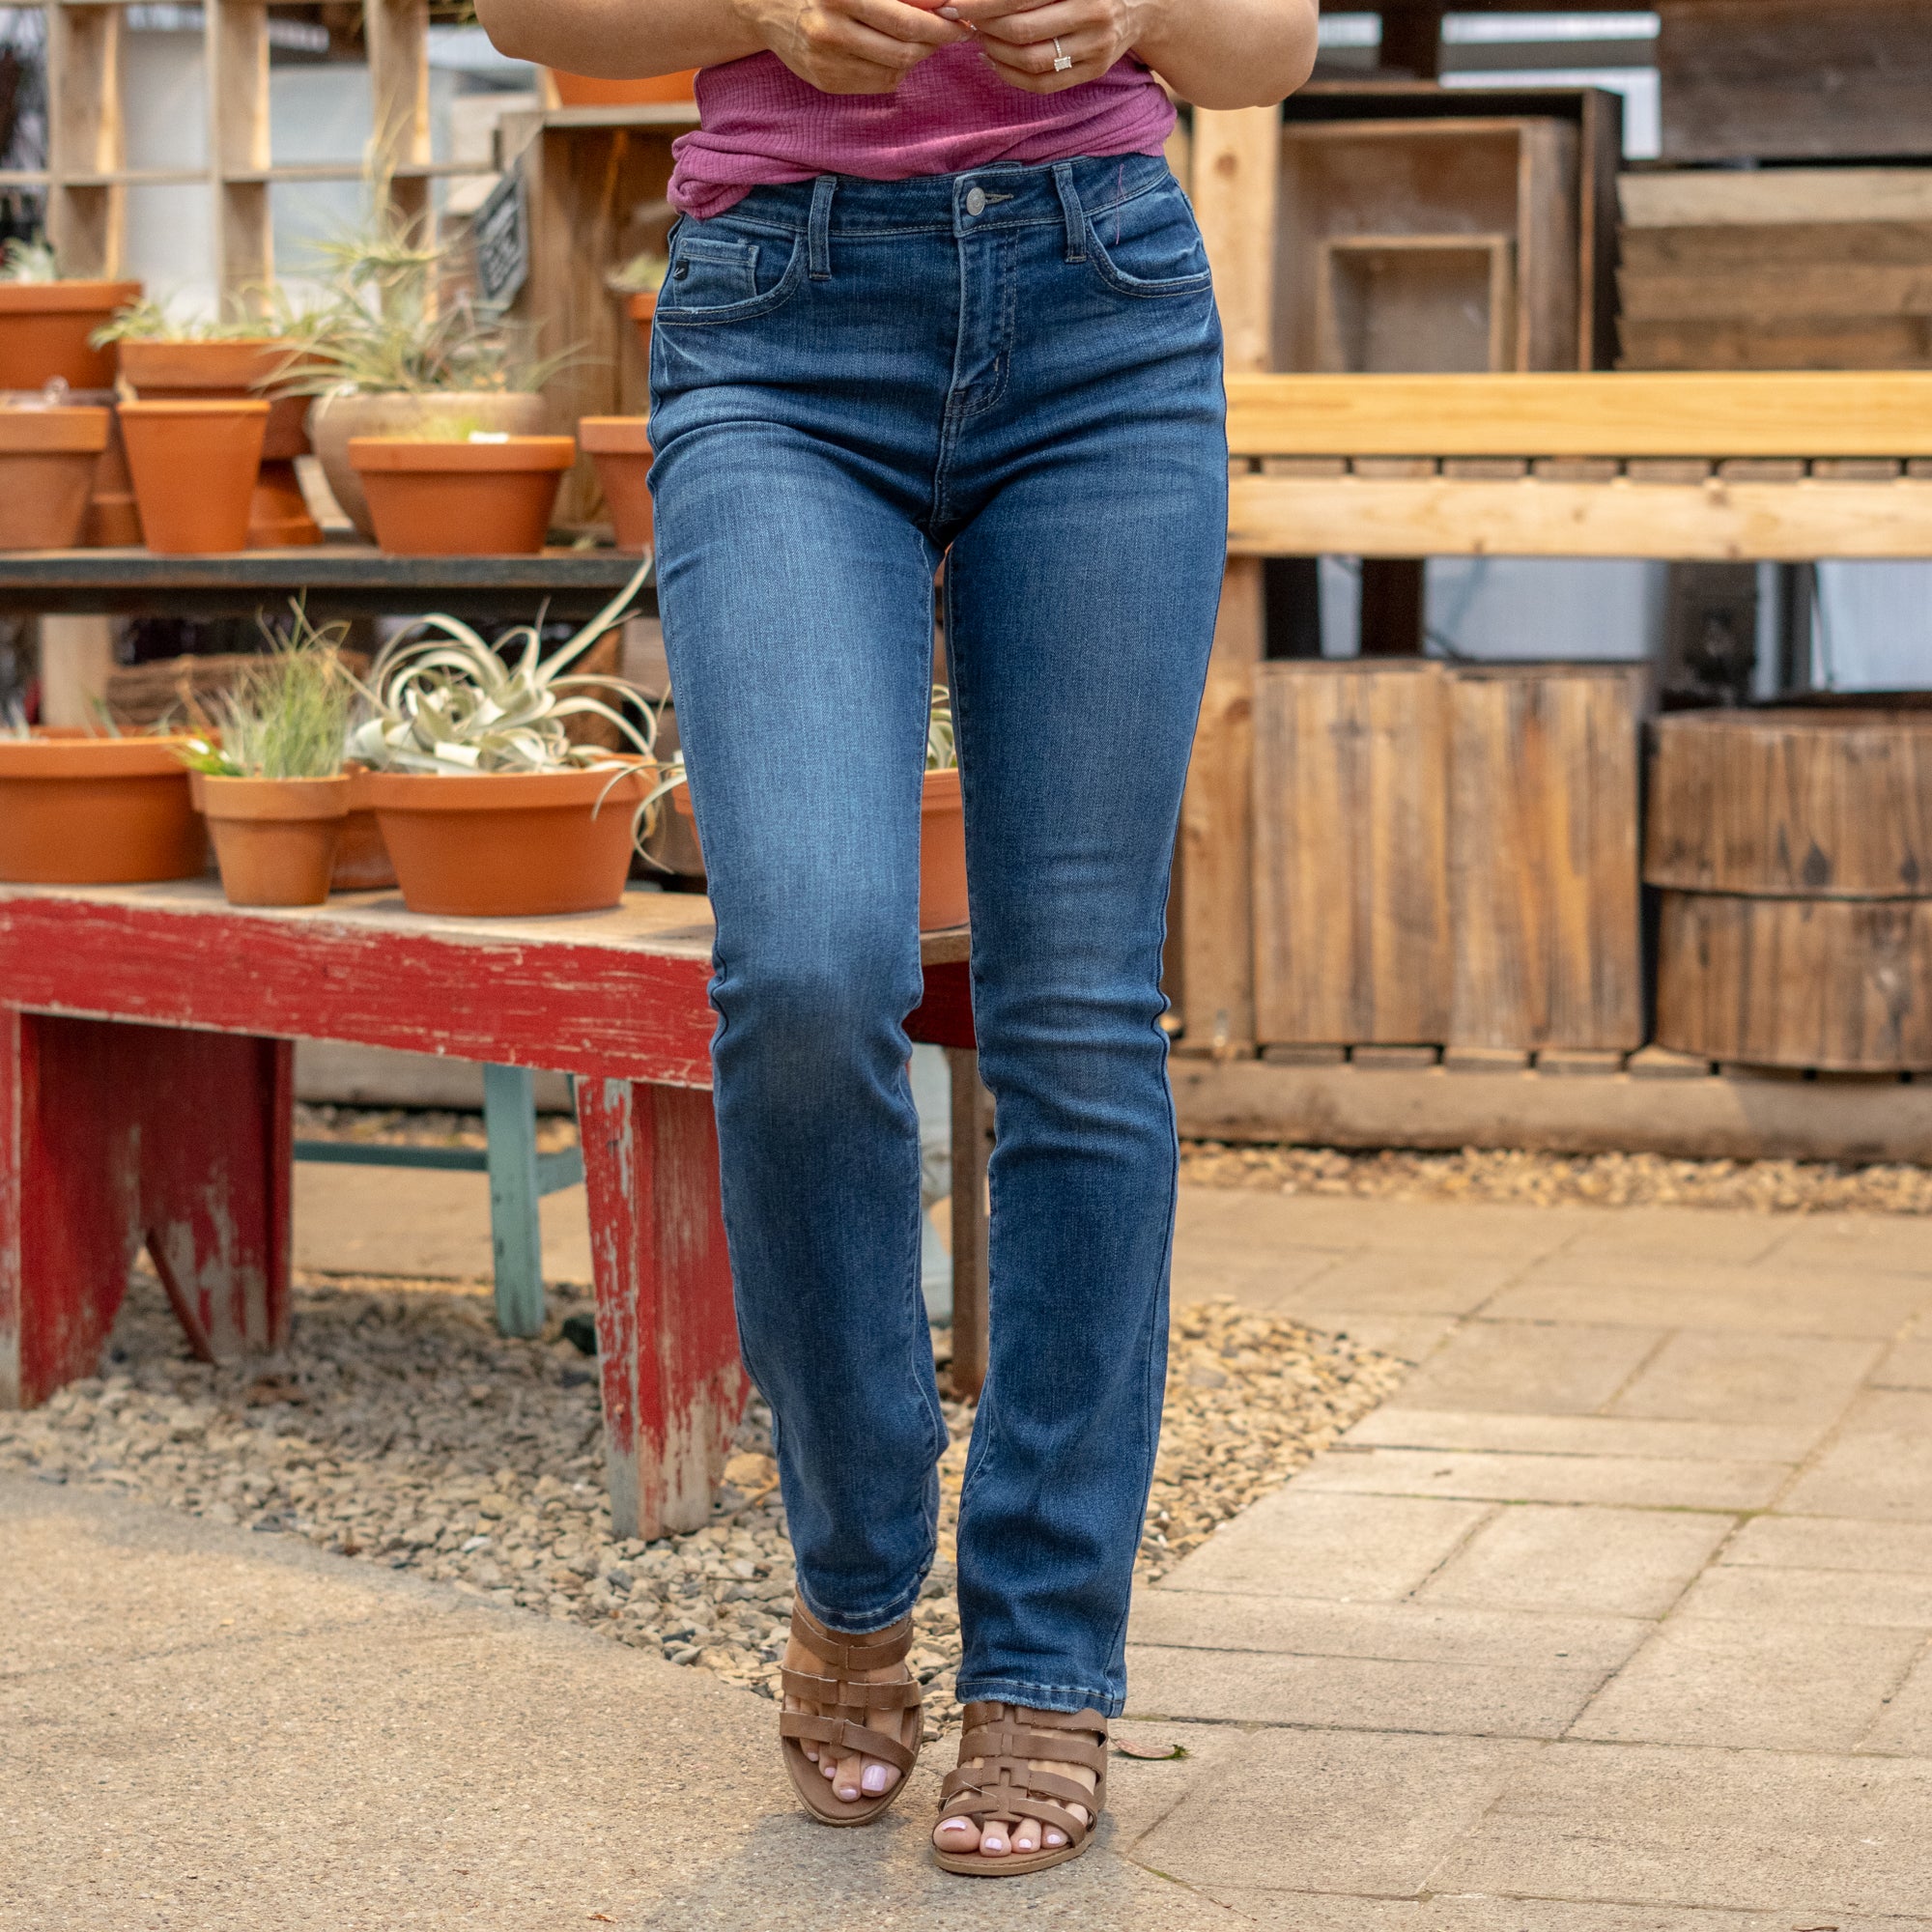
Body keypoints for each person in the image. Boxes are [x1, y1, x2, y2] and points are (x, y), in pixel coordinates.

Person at [478, 0, 1318, 1876]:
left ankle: (1042, 1656)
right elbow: (529, 17)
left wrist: (1141, 10)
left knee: (1078, 1016)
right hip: (782, 322)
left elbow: (1271, 47)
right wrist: (757, 13)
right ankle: (856, 1571)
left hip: (1103, 308)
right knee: (802, 968)